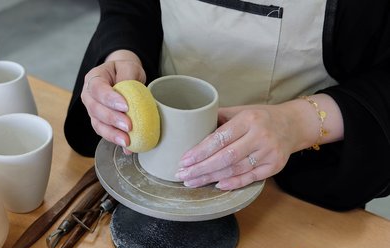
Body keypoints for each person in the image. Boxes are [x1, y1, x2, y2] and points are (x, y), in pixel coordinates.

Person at [64, 0, 390, 211]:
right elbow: (131, 10)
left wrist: (298, 123)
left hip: (298, 181)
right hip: (160, 169)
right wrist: (121, 56)